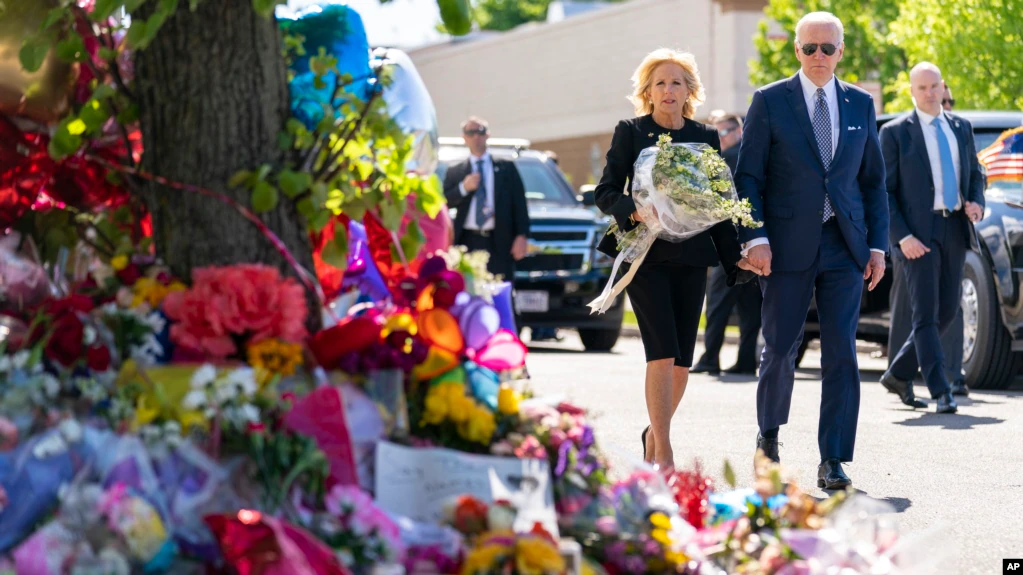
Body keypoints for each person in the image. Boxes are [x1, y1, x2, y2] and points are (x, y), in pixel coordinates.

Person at [735, 11, 889, 489]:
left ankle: (834, 459)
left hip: (846, 245)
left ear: (841, 51)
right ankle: (769, 435)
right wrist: (754, 237)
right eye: (809, 48)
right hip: (783, 246)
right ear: (796, 51)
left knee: (842, 351)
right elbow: (749, 177)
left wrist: (878, 247)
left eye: (827, 48)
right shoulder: (769, 101)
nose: (818, 56)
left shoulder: (861, 105)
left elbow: (873, 183)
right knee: (781, 346)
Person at [594, 48, 757, 470]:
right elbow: (606, 191)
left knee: (683, 358)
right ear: (647, 91)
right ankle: (664, 448)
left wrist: (734, 258)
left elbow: (718, 204)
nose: (668, 90)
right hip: (646, 255)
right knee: (661, 350)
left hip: (692, 256)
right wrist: (633, 208)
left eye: (677, 82)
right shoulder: (631, 131)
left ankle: (652, 430)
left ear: (689, 91)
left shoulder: (705, 138)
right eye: (660, 83)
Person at [878, 63, 984, 414]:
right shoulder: (895, 133)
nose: (929, 93)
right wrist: (902, 236)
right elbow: (884, 191)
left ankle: (898, 373)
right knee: (925, 314)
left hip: (953, 227)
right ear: (912, 91)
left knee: (948, 311)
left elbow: (975, 173)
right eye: (921, 87)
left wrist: (976, 201)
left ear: (943, 87)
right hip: (915, 234)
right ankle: (942, 391)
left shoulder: (961, 127)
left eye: (934, 86)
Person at [692, 113, 764, 376]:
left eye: (723, 133)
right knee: (749, 307)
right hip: (756, 242)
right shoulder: (757, 159)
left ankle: (710, 357)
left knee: (718, 304)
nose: (719, 139)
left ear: (738, 131)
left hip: (730, 244)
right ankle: (746, 360)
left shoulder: (726, 160)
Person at [443, 117, 530, 281]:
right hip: (467, 241)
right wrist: (463, 188)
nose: (476, 136)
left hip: (499, 241)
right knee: (469, 292)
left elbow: (519, 204)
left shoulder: (506, 167)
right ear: (464, 137)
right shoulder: (456, 171)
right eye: (471, 132)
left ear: (487, 135)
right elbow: (444, 201)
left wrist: (522, 236)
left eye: (480, 131)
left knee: (500, 292)